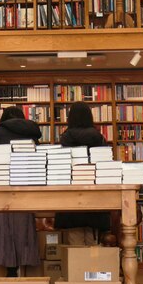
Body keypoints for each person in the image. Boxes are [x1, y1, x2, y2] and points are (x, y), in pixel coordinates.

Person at [0, 106, 41, 277]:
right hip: (26, 187)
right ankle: (23, 269)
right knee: (24, 226)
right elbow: (39, 158)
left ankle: (7, 269)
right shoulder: (32, 132)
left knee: (2, 226)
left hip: (1, 186)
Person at [55, 101, 112, 239]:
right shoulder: (98, 137)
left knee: (74, 248)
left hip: (71, 194)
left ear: (71, 117)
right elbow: (106, 164)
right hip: (94, 194)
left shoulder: (66, 137)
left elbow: (61, 164)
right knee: (93, 245)